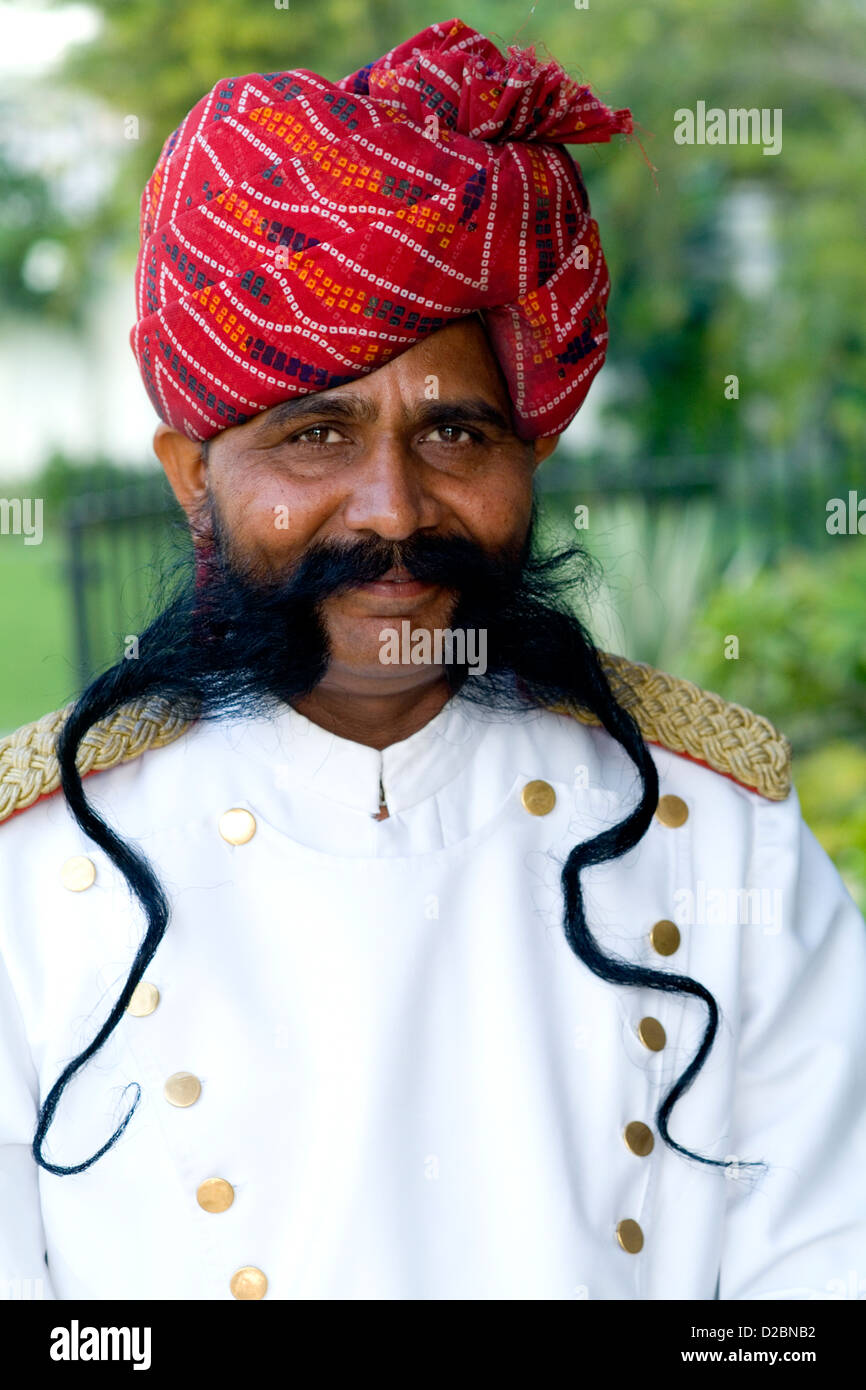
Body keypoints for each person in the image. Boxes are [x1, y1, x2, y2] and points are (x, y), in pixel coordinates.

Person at [1, 17, 864, 1302]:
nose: (392, 509)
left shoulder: (715, 830)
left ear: (532, 456)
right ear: (194, 478)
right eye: (313, 435)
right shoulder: (32, 872)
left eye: (456, 431)